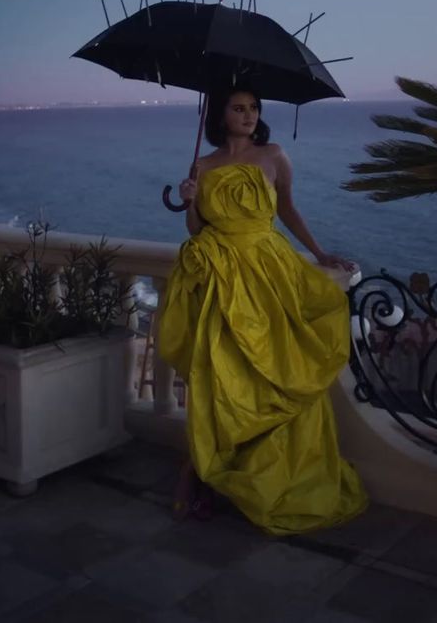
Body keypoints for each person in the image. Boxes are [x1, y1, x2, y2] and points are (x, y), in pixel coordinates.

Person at [156, 83, 369, 535]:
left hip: (267, 271)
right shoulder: (204, 165)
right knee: (221, 378)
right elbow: (196, 230)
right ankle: (202, 473)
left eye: (253, 108)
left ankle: (266, 476)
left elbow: (288, 210)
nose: (248, 115)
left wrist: (320, 252)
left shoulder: (273, 155)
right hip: (221, 277)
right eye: (238, 108)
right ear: (221, 114)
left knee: (272, 372)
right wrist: (190, 198)